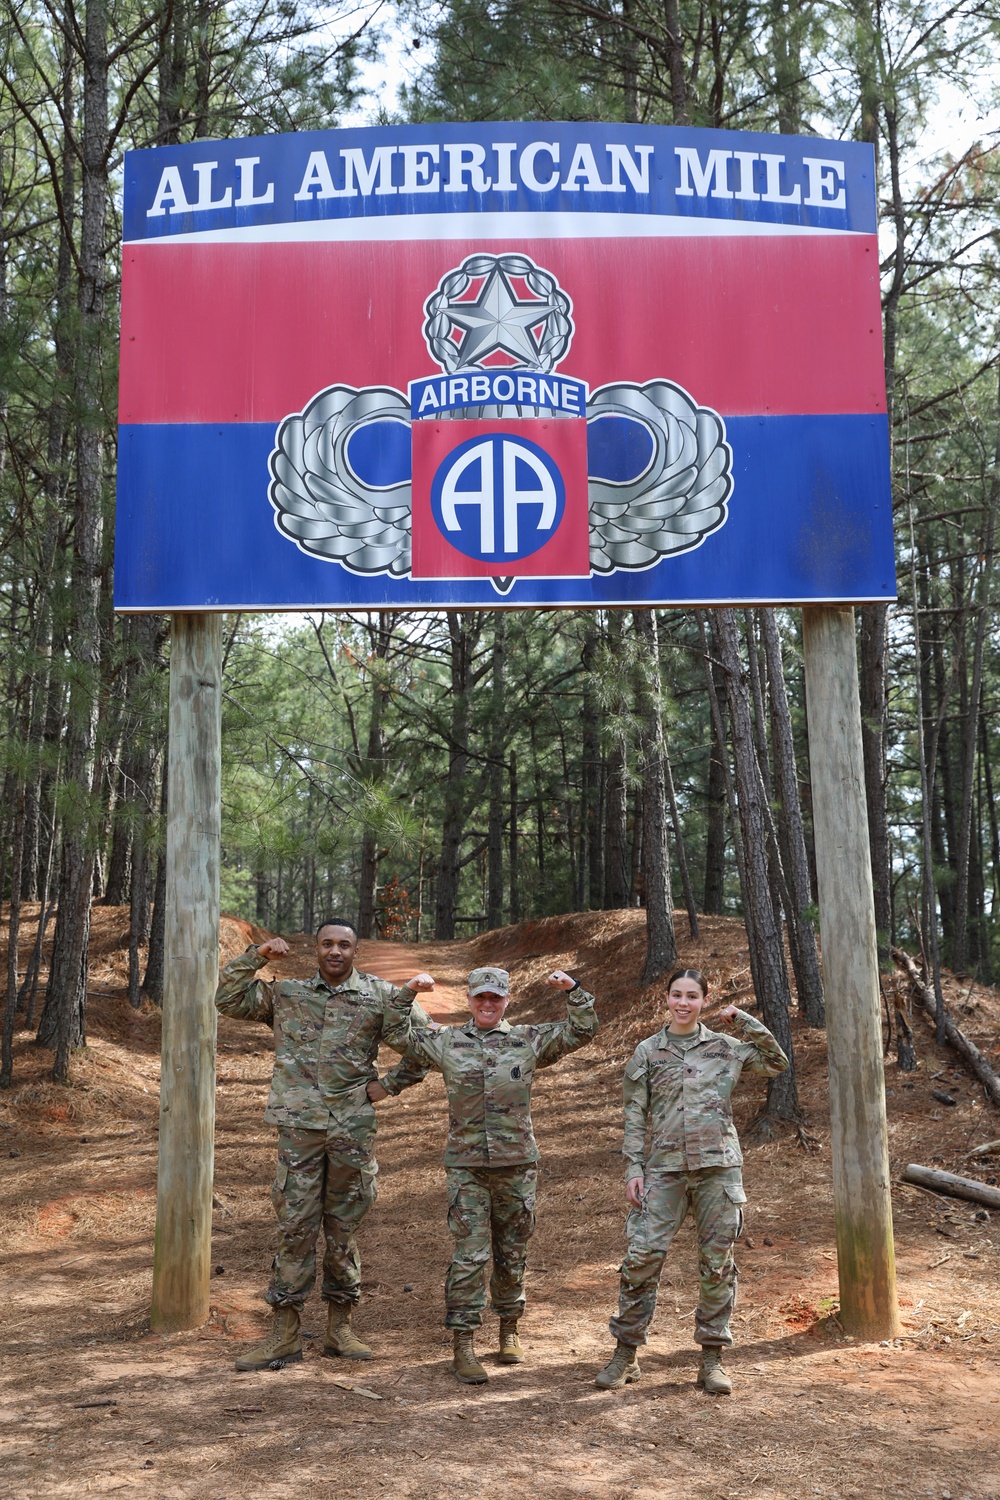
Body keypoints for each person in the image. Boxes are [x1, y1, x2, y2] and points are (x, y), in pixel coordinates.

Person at [214, 918, 434, 1371]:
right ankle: (284, 1334)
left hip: (351, 1129)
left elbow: (427, 1044)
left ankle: (339, 1329)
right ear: (315, 949)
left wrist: (391, 1085)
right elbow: (228, 998)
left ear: (356, 950)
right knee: (294, 1228)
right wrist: (257, 956)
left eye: (344, 945)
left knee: (342, 1231)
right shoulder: (287, 994)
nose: (335, 951)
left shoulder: (380, 995)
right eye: (327, 944)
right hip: (299, 1131)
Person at [391, 964, 598, 1384]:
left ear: (506, 1000)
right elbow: (398, 1035)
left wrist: (574, 989)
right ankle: (463, 1343)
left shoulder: (528, 1040)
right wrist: (407, 994)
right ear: (469, 1000)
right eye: (480, 997)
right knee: (469, 1255)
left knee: (512, 1253)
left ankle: (509, 1329)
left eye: (495, 998)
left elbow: (583, 1031)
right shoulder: (447, 1042)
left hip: (516, 1167)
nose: (487, 1004)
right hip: (467, 1168)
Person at [595, 966, 789, 1395]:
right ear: (666, 999)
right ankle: (625, 1356)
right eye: (677, 995)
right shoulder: (648, 1052)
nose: (683, 1003)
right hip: (663, 1171)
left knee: (717, 1265)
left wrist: (745, 1022)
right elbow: (633, 1116)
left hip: (718, 1169)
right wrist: (633, 1169)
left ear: (704, 1001)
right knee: (642, 1257)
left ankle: (712, 1359)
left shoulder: (726, 1047)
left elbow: (777, 1062)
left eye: (692, 996)